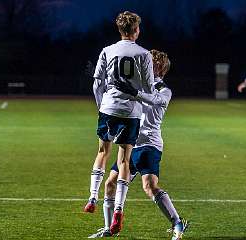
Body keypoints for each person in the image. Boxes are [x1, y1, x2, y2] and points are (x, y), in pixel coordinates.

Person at [88, 50, 189, 239]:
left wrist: (132, 91)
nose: (146, 65)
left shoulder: (164, 90)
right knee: (110, 183)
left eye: (152, 63)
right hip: (130, 142)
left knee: (149, 185)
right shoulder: (138, 84)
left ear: (160, 68)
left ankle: (177, 223)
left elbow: (151, 99)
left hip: (149, 143)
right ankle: (109, 229)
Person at [85, 10, 155, 234]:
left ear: (119, 29)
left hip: (108, 108)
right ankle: (118, 210)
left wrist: (101, 105)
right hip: (131, 111)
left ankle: (93, 197)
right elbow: (148, 89)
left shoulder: (107, 50)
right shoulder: (144, 54)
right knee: (124, 159)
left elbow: (97, 83)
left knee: (102, 152)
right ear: (136, 30)